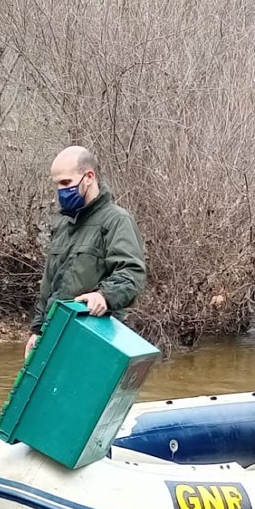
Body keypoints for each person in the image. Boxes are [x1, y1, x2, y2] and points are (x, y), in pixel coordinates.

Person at [25, 145, 147, 357]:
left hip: (97, 337)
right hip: (55, 334)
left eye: (66, 183)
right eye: (57, 185)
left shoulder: (117, 221)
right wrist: (37, 331)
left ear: (89, 177)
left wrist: (104, 296)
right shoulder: (62, 225)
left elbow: (132, 274)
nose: (61, 191)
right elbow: (48, 285)